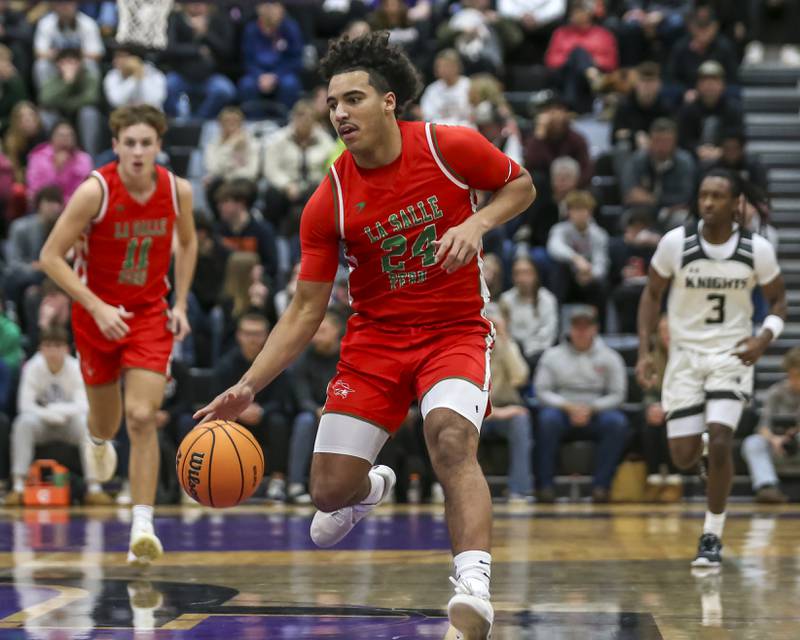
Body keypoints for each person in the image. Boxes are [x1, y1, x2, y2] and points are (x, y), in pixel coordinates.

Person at [194, 31, 535, 639]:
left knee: (450, 439)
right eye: (332, 103)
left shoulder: (447, 145)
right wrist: (246, 386)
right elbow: (304, 310)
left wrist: (478, 223)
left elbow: (522, 185)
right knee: (327, 494)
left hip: (454, 329)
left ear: (389, 103)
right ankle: (371, 486)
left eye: (352, 99)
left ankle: (473, 585)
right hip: (376, 341)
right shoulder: (330, 201)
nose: (340, 113)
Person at [39, 105, 197, 567]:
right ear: (116, 145)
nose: (138, 151)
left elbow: (187, 243)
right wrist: (96, 305)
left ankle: (142, 527)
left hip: (149, 313)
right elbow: (50, 256)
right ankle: (97, 441)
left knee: (143, 416)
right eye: (129, 142)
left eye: (146, 142)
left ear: (159, 146)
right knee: (106, 424)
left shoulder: (176, 190)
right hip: (96, 316)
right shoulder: (95, 192)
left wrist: (181, 303)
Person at [636, 168, 786, 568]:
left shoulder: (757, 250)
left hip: (732, 355)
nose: (708, 203)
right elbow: (651, 295)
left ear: (736, 203)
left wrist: (762, 339)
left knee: (722, 438)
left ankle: (711, 535)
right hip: (684, 356)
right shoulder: (675, 244)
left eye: (717, 196)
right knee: (683, 457)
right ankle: (702, 453)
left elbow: (779, 304)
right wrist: (645, 350)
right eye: (703, 195)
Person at [4, 324, 114, 507]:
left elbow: (83, 406)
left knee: (87, 424)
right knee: (22, 424)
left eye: (57, 346)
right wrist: (49, 414)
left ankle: (94, 489)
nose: (53, 351)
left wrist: (55, 410)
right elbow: (24, 406)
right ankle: (18, 488)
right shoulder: (32, 367)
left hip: (68, 423)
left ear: (66, 348)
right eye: (48, 346)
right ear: (41, 349)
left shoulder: (76, 367)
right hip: (42, 423)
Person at [534, 304, 629, 503]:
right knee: (546, 420)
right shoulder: (552, 356)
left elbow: (618, 394)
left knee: (617, 423)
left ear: (595, 329)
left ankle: (601, 487)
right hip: (561, 410)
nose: (581, 331)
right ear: (570, 329)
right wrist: (567, 406)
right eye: (577, 326)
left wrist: (592, 408)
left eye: (586, 326)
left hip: (596, 411)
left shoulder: (610, 357)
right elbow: (542, 390)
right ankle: (545, 487)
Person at [740, 347, 800, 504]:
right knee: (752, 443)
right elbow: (762, 427)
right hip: (777, 447)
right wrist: (775, 439)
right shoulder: (776, 393)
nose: (797, 380)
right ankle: (767, 487)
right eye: (794, 375)